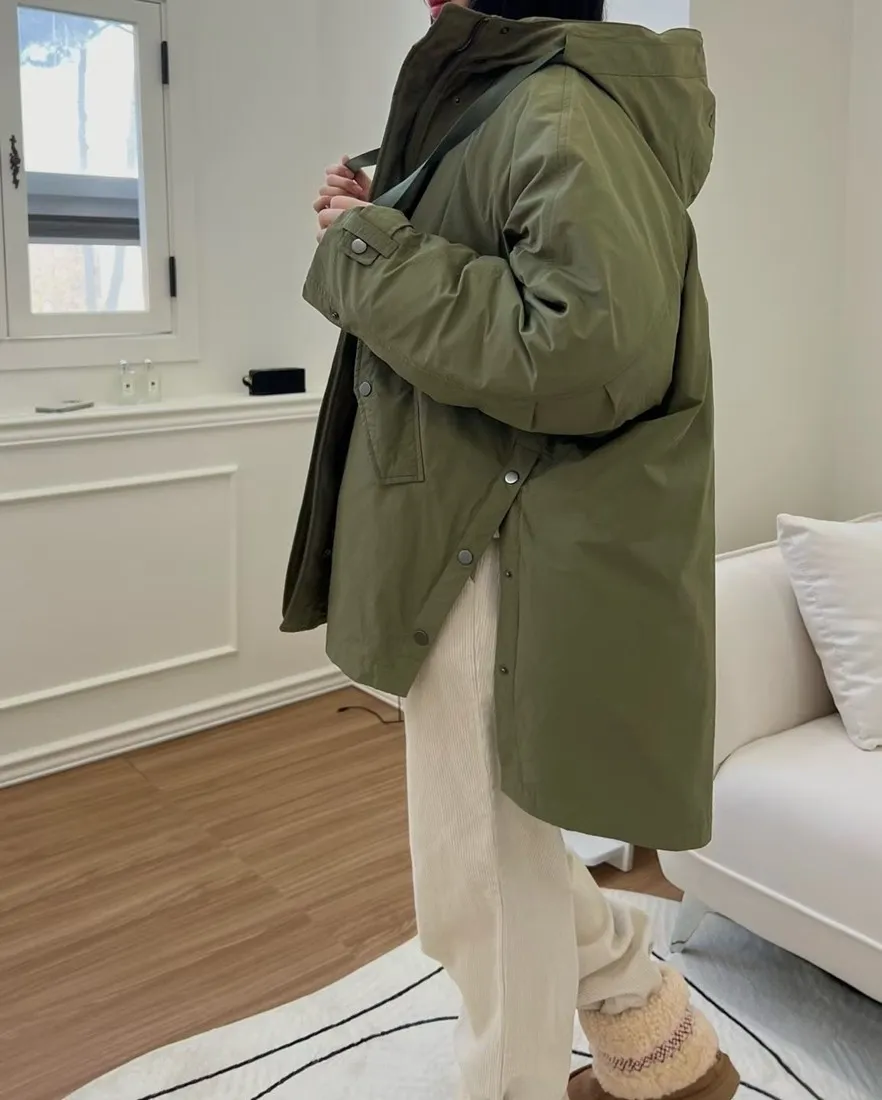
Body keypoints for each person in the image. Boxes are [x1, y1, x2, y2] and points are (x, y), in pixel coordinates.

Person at [283, 1, 736, 1098]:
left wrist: (369, 247)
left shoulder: (557, 108)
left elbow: (585, 347)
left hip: (494, 536)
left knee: (476, 879)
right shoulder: (517, 103)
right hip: (471, 521)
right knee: (486, 854)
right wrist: (379, 211)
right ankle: (656, 1044)